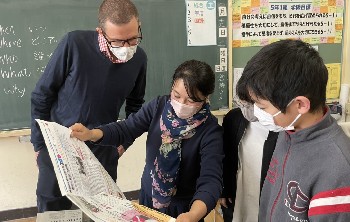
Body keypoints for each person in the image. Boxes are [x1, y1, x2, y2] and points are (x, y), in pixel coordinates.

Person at [70, 60, 224, 222]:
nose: (181, 104)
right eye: (176, 96)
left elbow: (210, 180)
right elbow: (126, 128)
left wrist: (193, 215)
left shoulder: (210, 131)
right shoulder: (158, 106)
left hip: (185, 208)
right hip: (149, 196)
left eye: (191, 100)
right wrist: (91, 133)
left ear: (205, 98)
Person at [30, 0, 147, 213]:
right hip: (59, 144)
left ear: (138, 26)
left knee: (103, 211)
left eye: (133, 38)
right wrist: (39, 144)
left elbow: (136, 105)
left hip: (103, 146)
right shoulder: (74, 44)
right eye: (118, 41)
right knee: (53, 207)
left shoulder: (139, 59)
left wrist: (124, 142)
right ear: (100, 33)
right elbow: (42, 95)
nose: (127, 47)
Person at [236, 39, 350, 221]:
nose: (257, 113)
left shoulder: (337, 170)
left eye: (263, 108)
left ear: (300, 105)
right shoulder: (288, 130)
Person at [219, 102, 278, 222]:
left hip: (267, 197)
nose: (247, 108)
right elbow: (225, 155)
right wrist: (223, 189)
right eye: (242, 102)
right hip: (238, 193)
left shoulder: (281, 124)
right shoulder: (234, 117)